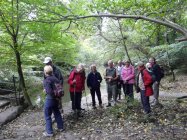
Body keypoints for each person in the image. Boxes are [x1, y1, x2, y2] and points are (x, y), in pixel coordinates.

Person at [43, 65, 64, 137]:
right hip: (56, 99)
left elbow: (49, 92)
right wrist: (57, 97)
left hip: (50, 100)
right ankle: (61, 127)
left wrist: (45, 90)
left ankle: (49, 132)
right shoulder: (56, 79)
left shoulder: (47, 80)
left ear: (45, 72)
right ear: (51, 71)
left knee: (47, 115)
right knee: (57, 113)